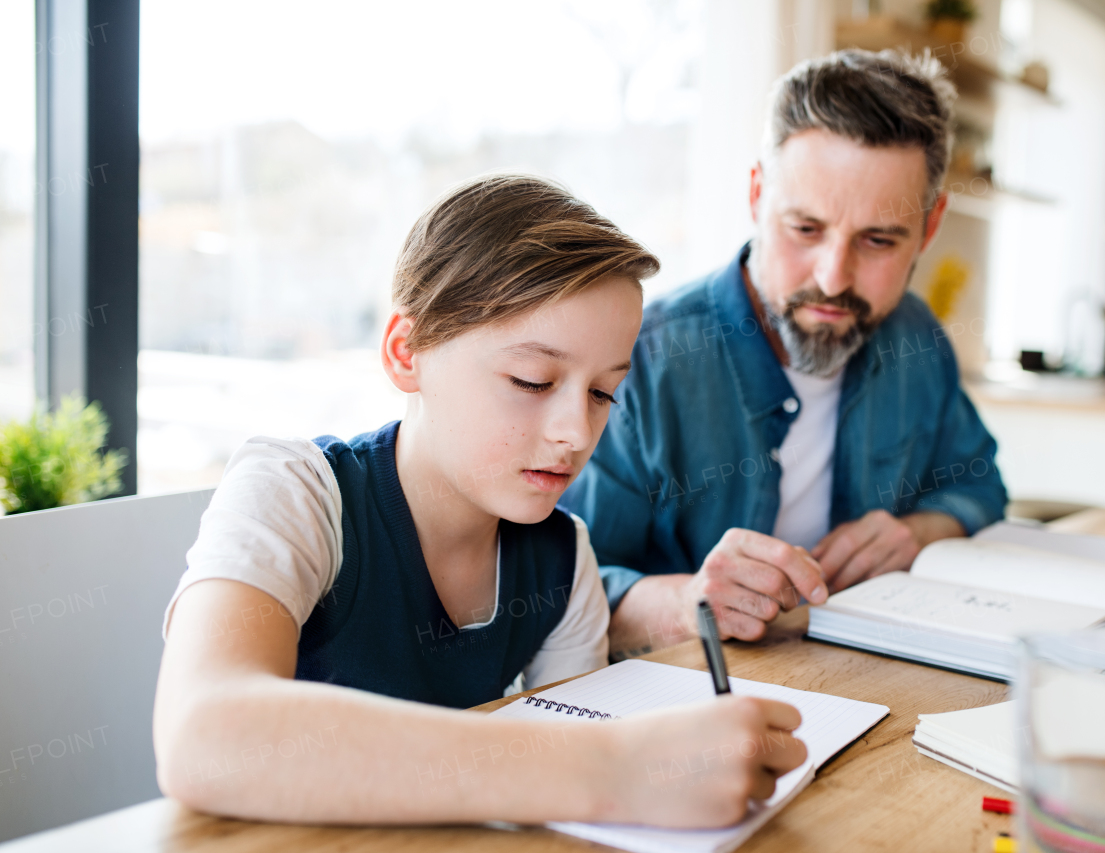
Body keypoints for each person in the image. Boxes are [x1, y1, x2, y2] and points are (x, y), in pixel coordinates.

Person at [153, 175, 807, 829]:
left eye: (603, 393)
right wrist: (613, 766)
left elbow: (572, 791)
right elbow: (201, 733)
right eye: (532, 380)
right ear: (406, 353)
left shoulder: (562, 556)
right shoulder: (295, 492)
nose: (575, 433)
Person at [561, 49, 1009, 657]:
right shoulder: (639, 360)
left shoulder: (915, 337)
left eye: (878, 240)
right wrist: (689, 602)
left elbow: (979, 484)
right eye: (805, 229)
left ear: (928, 229)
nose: (831, 278)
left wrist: (919, 531)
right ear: (756, 196)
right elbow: (553, 585)